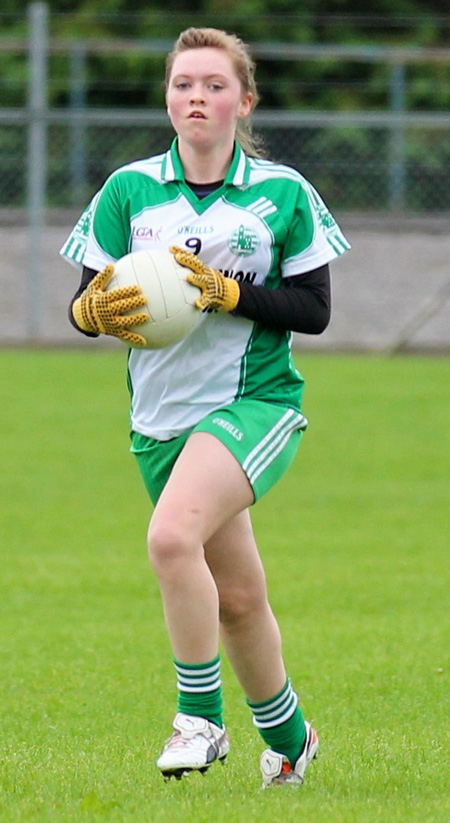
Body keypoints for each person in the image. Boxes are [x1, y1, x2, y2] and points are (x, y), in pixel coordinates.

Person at [60, 26, 350, 788]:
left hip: (252, 403)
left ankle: (201, 721)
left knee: (169, 537)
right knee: (240, 600)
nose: (197, 96)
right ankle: (291, 739)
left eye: (214, 85)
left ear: (242, 101)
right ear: (168, 98)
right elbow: (82, 305)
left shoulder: (282, 193)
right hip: (160, 418)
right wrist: (96, 314)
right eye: (184, 83)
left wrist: (229, 294)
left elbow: (315, 310)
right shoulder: (128, 190)